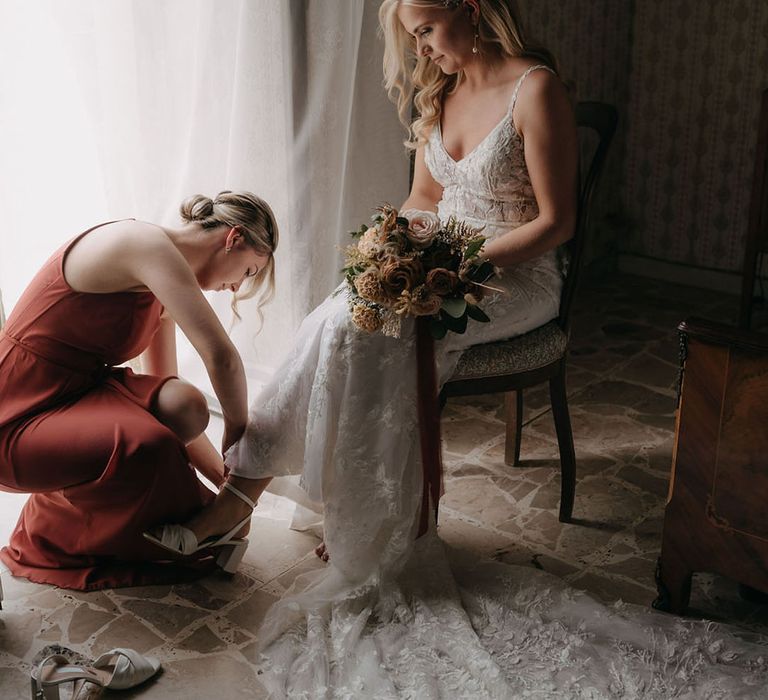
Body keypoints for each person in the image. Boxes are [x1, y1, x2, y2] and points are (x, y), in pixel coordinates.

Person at [148, 2, 768, 696]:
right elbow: (423, 195)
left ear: (470, 10)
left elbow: (557, 223)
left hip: (515, 275)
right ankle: (278, 502)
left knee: (372, 330)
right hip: (441, 265)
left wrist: (454, 269)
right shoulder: (442, 91)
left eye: (426, 30)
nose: (422, 50)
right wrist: (397, 248)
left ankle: (271, 509)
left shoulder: (537, 89)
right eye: (413, 38)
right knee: (338, 315)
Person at [0, 191, 278, 590]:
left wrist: (226, 482)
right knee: (145, 445)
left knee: (185, 404)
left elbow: (169, 402)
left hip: (73, 395)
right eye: (249, 271)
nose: (236, 288)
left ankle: (163, 514)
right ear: (233, 238)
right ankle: (59, 528)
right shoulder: (144, 244)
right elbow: (222, 357)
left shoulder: (162, 276)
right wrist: (236, 435)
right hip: (16, 409)